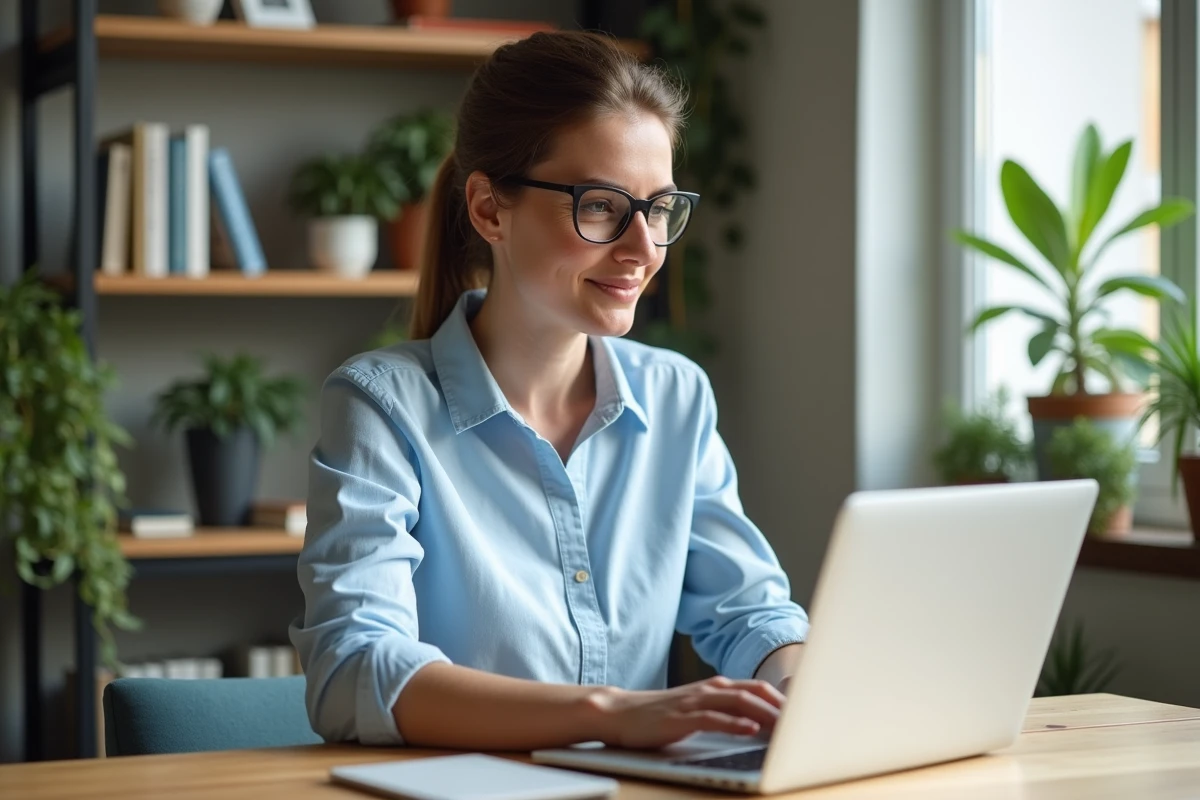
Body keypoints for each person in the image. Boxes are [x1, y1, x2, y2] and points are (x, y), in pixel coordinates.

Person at [290, 30, 809, 752]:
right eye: (601, 206)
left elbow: (752, 614)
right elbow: (354, 669)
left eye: (659, 209)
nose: (644, 248)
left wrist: (802, 691)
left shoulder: (676, 398)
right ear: (488, 209)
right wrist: (609, 713)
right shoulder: (382, 405)